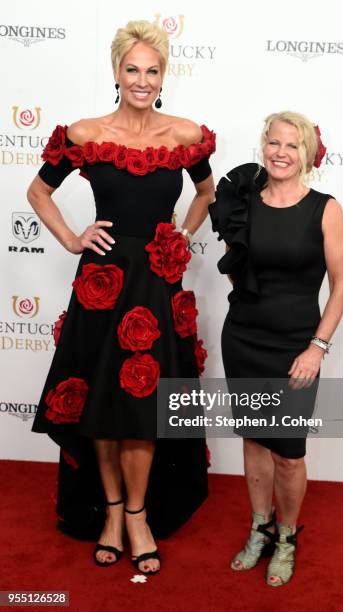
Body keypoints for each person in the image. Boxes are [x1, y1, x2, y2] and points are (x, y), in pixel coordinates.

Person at [29, 20, 215, 574]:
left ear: (163, 77)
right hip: (102, 282)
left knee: (144, 405)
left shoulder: (184, 136)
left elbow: (206, 193)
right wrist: (71, 237)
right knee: (105, 406)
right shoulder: (85, 135)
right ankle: (112, 512)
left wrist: (182, 233)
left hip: (156, 285)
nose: (142, 79)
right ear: (116, 72)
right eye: (132, 69)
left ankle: (139, 514)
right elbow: (39, 190)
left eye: (152, 70)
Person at [210, 111, 343, 586]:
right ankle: (260, 528)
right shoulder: (242, 203)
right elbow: (236, 264)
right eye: (273, 143)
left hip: (297, 346)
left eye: (292, 145)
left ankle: (287, 537)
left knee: (288, 451)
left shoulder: (325, 208)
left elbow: (342, 285)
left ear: (307, 153)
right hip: (244, 338)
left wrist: (317, 347)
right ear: (263, 147)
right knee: (254, 439)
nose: (281, 153)